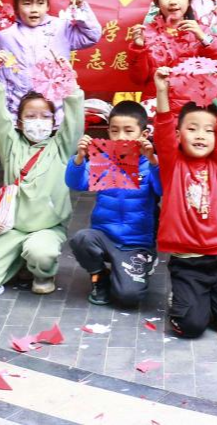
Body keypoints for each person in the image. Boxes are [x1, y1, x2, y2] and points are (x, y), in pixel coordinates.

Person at [0, 51, 86, 296]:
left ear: (54, 122)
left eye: (45, 116)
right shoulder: (10, 145)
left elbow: (75, 120)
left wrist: (70, 83)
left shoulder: (62, 147)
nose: (37, 121)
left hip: (47, 229)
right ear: (19, 123)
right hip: (12, 228)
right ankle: (20, 259)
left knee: (41, 252)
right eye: (30, 116)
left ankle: (42, 272)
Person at [154, 63, 217, 338]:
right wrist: (162, 91)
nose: (201, 135)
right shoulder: (172, 164)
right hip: (188, 262)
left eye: (209, 130)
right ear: (178, 134)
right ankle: (187, 297)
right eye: (192, 129)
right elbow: (162, 130)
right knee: (191, 326)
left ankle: (206, 298)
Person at [66, 101, 161, 306]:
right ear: (108, 132)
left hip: (136, 243)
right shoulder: (103, 160)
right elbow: (76, 183)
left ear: (144, 134)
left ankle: (140, 265)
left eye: (129, 131)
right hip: (104, 237)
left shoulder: (150, 164)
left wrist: (154, 162)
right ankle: (99, 276)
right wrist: (79, 158)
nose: (121, 137)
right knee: (81, 238)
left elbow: (164, 189)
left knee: (128, 297)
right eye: (114, 131)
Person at [0, 0, 99, 118]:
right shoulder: (4, 29)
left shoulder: (61, 27)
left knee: (54, 128)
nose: (34, 9)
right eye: (27, 4)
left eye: (40, 3)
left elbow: (91, 36)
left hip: (55, 110)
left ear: (47, 6)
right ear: (16, 7)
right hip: (12, 108)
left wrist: (81, 9)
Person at [127, 0, 217, 88]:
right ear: (157, 0)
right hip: (156, 98)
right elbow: (137, 79)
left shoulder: (201, 32)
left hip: (193, 99)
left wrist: (204, 38)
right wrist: (138, 48)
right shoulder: (146, 33)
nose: (173, 1)